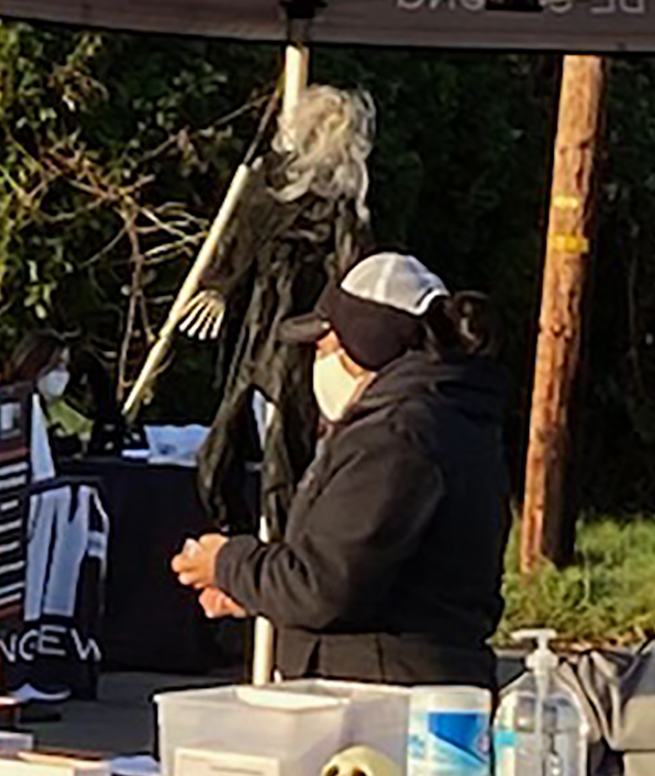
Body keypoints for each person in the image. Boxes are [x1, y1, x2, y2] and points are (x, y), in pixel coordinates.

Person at [171, 252, 511, 688]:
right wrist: (257, 592)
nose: (316, 358)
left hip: (378, 693)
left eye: (324, 344)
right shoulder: (451, 416)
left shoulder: (394, 437)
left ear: (363, 346)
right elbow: (372, 576)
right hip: (418, 678)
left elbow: (324, 584)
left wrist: (227, 562)